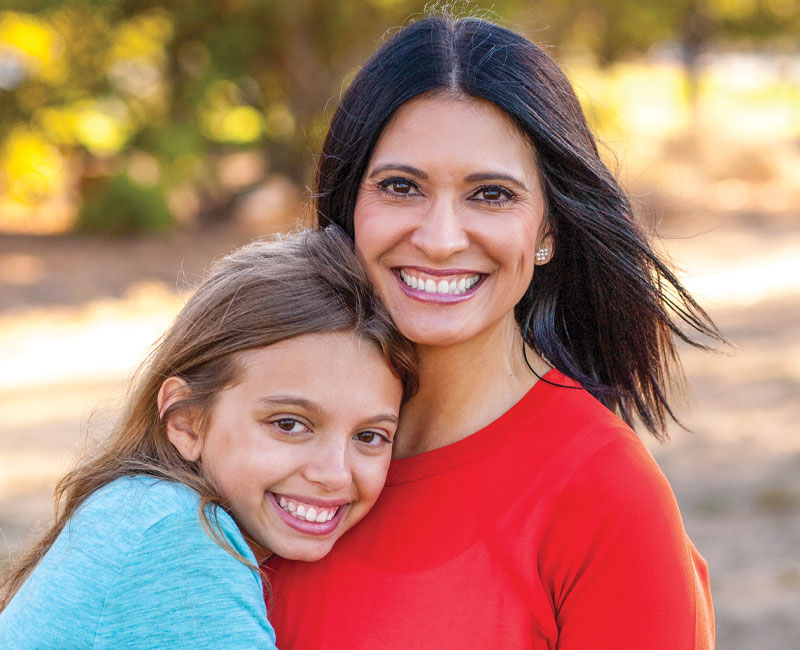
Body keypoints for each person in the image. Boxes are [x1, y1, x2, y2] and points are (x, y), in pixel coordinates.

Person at [267, 13, 722, 649]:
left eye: (491, 195)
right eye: (401, 187)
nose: (440, 238)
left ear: (549, 232)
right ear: (349, 208)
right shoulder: (258, 438)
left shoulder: (604, 497)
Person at [0, 228, 417, 649]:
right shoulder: (175, 538)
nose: (333, 473)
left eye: (369, 435)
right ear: (186, 421)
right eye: (289, 424)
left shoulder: (134, 505)